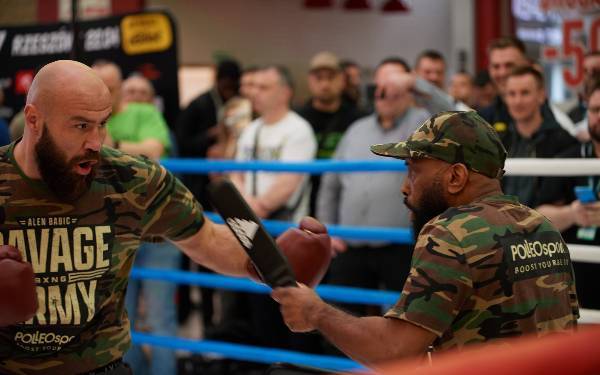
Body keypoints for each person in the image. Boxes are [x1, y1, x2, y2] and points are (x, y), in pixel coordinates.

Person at [0, 60, 328, 374]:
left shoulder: (132, 180)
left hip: (100, 368)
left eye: (103, 124)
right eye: (81, 125)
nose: (96, 142)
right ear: (34, 119)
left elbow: (207, 239)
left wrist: (274, 262)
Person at [273, 111, 578, 367]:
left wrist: (317, 311)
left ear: (456, 177)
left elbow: (395, 351)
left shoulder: (451, 232)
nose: (406, 187)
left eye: (414, 171)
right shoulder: (543, 226)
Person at [317, 62, 429, 315]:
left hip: (401, 246)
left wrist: (416, 83)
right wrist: (328, 231)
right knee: (340, 320)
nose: (383, 92)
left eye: (392, 85)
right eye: (379, 86)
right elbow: (330, 183)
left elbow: (459, 116)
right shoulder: (357, 129)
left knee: (406, 324)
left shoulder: (424, 125)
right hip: (350, 245)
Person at [537, 76, 600, 310]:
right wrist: (572, 214)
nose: (599, 116)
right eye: (595, 109)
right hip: (577, 278)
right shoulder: (567, 159)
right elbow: (539, 217)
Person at [231, 65, 317, 221]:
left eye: (264, 88)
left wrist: (257, 208)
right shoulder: (251, 129)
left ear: (285, 93)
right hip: (251, 222)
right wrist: (246, 207)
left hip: (285, 225)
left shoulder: (299, 129)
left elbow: (287, 184)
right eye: (254, 87)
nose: (254, 93)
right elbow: (237, 175)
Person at [297, 51, 365, 215]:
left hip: (344, 198)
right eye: (319, 78)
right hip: (304, 198)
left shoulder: (359, 119)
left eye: (331, 77)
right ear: (310, 81)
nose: (325, 84)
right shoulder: (297, 119)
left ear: (342, 80)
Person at [501, 66, 577, 207]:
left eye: (525, 93)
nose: (517, 101)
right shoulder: (499, 141)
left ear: (541, 95)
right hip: (500, 225)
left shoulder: (564, 142)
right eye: (511, 94)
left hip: (544, 226)